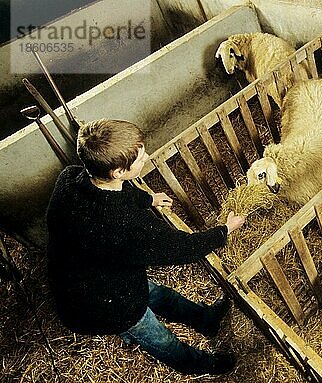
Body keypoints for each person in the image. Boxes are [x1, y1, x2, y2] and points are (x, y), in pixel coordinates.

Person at [46, 119, 246, 376]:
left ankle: (205, 319)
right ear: (118, 171)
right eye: (140, 158)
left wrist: (148, 199)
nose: (147, 157)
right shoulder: (125, 227)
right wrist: (225, 230)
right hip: (104, 303)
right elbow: (184, 248)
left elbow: (116, 195)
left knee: (161, 295)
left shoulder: (70, 178)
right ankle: (198, 365)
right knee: (159, 338)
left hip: (91, 271)